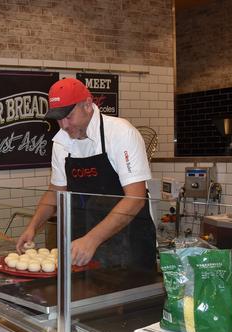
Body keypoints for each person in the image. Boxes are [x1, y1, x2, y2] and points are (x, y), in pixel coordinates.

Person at [16, 78, 156, 270]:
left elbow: (135, 198)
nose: (64, 124)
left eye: (69, 116)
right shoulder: (61, 143)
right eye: (58, 118)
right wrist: (32, 227)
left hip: (128, 246)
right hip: (81, 248)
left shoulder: (121, 133)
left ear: (88, 105)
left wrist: (92, 239)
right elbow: (56, 191)